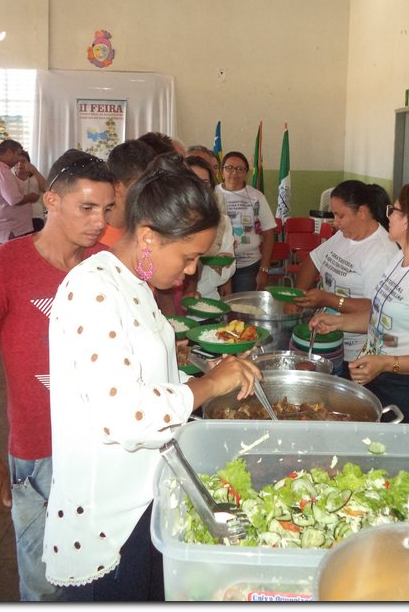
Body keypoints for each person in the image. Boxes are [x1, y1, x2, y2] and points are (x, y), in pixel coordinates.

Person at [42, 152, 262, 600]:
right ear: (147, 236)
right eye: (188, 256)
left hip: (143, 497)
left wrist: (175, 360)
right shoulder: (94, 288)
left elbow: (129, 369)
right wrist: (210, 383)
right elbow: (127, 416)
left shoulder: (134, 282)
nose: (192, 270)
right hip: (109, 519)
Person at [0, 149, 115, 601]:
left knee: (95, 579)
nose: (99, 221)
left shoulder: (106, 265)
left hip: (103, 449)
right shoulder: (1, 269)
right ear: (51, 201)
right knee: (43, 588)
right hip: (40, 454)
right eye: (88, 208)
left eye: (108, 209)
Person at [310, 182, 409, 425]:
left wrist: (386, 362)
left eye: (393, 210)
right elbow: (381, 317)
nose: (388, 215)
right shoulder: (398, 259)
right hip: (381, 377)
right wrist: (338, 322)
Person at [288, 182, 399, 374]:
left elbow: (374, 310)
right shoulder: (343, 235)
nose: (335, 222)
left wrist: (327, 299)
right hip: (328, 339)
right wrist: (299, 296)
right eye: (334, 215)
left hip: (357, 353)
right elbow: (313, 261)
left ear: (362, 212)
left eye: (340, 215)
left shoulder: (382, 252)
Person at [216, 151, 275, 293]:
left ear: (246, 173)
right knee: (221, 308)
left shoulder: (256, 196)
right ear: (222, 171)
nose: (234, 173)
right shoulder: (212, 195)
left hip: (249, 266)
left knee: (244, 309)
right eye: (229, 168)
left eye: (239, 169)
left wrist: (264, 269)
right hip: (218, 267)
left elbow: (269, 234)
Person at [185, 154, 236, 299]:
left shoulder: (221, 222)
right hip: (173, 306)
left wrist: (220, 266)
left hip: (208, 301)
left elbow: (230, 265)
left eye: (205, 182)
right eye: (192, 181)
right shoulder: (168, 219)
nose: (199, 188)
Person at [0, 139, 39, 248]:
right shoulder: (1, 171)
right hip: (8, 231)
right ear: (9, 152)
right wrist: (31, 197)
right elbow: (14, 199)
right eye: (17, 155)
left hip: (3, 229)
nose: (18, 160)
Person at [100, 139, 157, 247]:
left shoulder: (149, 233)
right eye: (142, 187)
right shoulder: (94, 235)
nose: (151, 194)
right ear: (117, 187)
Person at [13, 150, 48, 232]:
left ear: (29, 163)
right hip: (16, 219)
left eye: (23, 161)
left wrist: (35, 171)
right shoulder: (10, 179)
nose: (20, 164)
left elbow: (47, 189)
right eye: (17, 161)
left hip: (35, 217)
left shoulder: (35, 177)